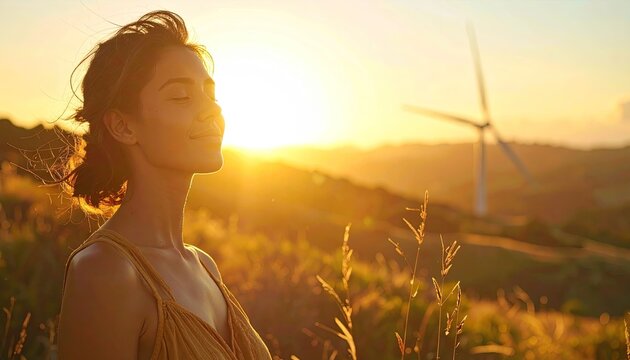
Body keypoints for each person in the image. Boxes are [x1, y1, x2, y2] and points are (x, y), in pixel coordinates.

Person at [56, 10, 273, 360]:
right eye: (181, 97)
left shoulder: (203, 264)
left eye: (209, 94)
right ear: (123, 127)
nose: (211, 110)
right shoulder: (104, 271)